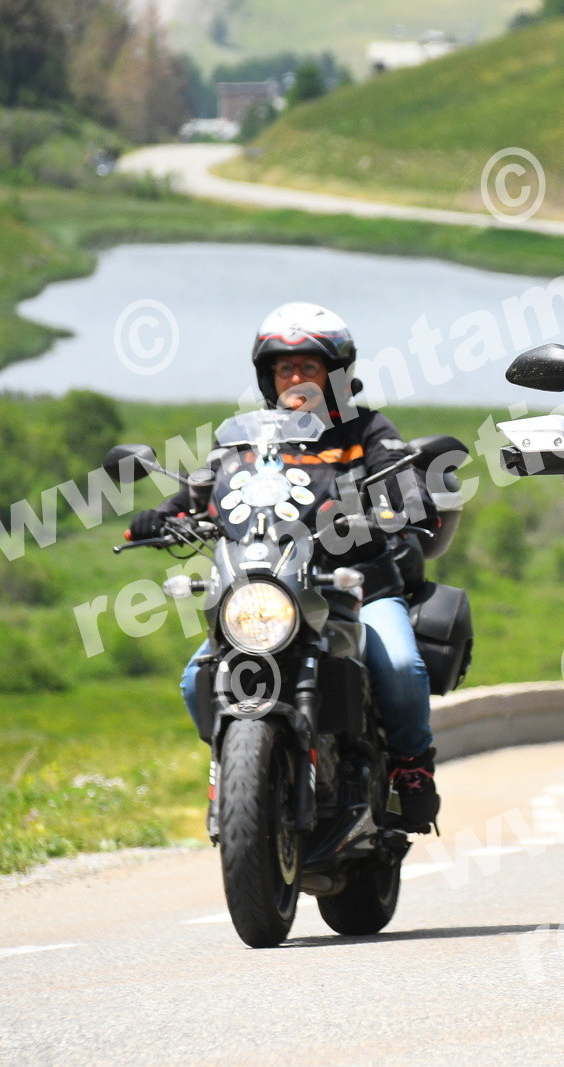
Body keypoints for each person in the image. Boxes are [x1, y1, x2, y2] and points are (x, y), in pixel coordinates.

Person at [127, 303, 441, 831]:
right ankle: (239, 768)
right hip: (270, 583)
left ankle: (412, 767)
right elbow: (203, 489)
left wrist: (402, 503)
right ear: (267, 377)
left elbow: (398, 476)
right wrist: (163, 516)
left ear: (334, 374)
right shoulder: (246, 440)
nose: (295, 379)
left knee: (400, 667)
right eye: (284, 368)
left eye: (308, 367)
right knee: (194, 679)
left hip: (356, 586)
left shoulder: (366, 428)